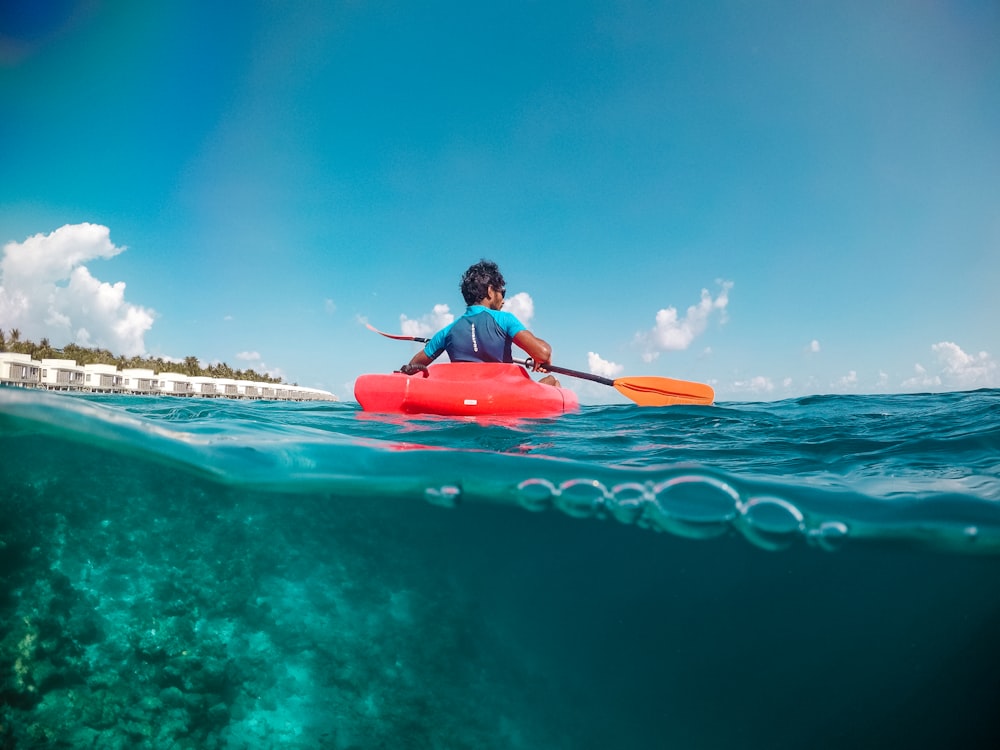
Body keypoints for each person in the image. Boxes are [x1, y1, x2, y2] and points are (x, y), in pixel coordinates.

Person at [400, 259, 561, 386]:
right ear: (490, 290)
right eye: (502, 292)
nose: (503, 300)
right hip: (502, 396)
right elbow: (543, 352)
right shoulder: (504, 319)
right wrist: (542, 359)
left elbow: (413, 366)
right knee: (553, 381)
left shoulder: (447, 331)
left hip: (464, 396)